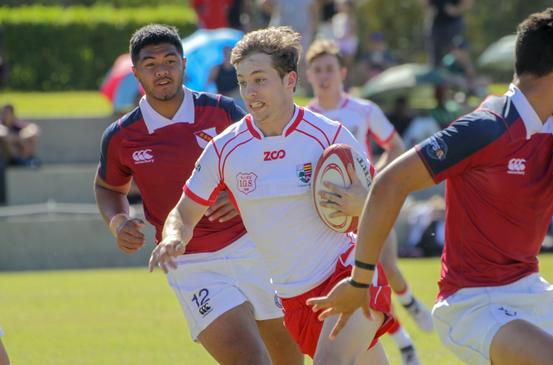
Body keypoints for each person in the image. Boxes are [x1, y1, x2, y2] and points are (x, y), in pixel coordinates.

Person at [308, 8, 553, 365]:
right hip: (471, 302)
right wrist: (359, 281)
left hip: (529, 290)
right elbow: (389, 182)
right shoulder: (487, 127)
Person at [148, 26, 394, 364]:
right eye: (243, 81)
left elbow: (382, 199)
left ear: (290, 80)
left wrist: (360, 203)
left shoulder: (328, 136)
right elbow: (184, 212)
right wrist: (173, 236)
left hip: (347, 276)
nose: (249, 91)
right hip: (294, 300)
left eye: (259, 79)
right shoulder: (225, 148)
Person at [94, 24, 302, 365]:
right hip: (191, 262)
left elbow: (268, 159)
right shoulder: (122, 135)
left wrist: (238, 196)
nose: (161, 71)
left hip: (254, 248)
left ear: (184, 64)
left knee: (290, 359)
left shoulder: (223, 112)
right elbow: (107, 187)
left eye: (170, 61)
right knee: (250, 360)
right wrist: (118, 222)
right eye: (150, 64)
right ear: (135, 73)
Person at [305, 39, 432, 365]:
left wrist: (375, 182)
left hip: (367, 204)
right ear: (308, 75)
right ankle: (403, 341)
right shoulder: (306, 118)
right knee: (357, 279)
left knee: (384, 266)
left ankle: (410, 305)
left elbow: (396, 145)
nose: (324, 76)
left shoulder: (364, 110)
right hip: (330, 215)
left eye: (329, 68)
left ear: (342, 72)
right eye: (317, 70)